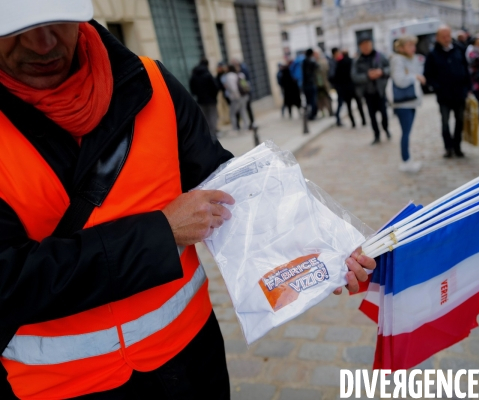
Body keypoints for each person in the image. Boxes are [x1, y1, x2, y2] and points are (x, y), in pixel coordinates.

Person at [0, 3, 377, 399]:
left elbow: (230, 193)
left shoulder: (151, 83)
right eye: (17, 29)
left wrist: (326, 248)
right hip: (59, 389)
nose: (41, 44)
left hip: (192, 361)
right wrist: (160, 234)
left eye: (56, 23)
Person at [424, 25, 471, 158]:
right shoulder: (433, 54)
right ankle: (448, 147)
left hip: (459, 93)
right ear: (437, 38)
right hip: (444, 95)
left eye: (448, 36)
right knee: (445, 122)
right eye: (443, 36)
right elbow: (428, 75)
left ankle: (457, 146)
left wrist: (468, 87)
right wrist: (436, 86)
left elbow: (466, 69)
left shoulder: (459, 49)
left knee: (460, 120)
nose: (446, 39)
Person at [389, 36, 426, 173]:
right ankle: (406, 161)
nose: (413, 48)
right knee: (405, 132)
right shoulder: (397, 59)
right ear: (401, 47)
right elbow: (400, 80)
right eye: (409, 45)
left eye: (413, 45)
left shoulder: (412, 58)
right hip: (403, 102)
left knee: (407, 132)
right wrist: (414, 77)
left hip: (410, 101)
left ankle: (408, 159)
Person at [352, 35, 391, 145]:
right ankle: (376, 135)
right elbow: (354, 76)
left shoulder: (379, 56)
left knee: (384, 114)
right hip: (368, 92)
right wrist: (367, 76)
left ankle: (386, 129)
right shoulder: (357, 61)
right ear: (360, 47)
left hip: (380, 91)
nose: (366, 47)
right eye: (363, 45)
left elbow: (389, 68)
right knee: (372, 116)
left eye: (367, 44)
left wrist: (381, 72)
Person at [190, 58, 220, 141]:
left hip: (200, 100)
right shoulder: (207, 74)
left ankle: (208, 135)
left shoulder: (194, 74)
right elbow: (215, 86)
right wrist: (214, 96)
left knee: (205, 118)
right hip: (211, 100)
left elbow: (192, 88)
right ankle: (213, 134)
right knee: (213, 117)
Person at [221, 65, 250, 131]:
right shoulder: (240, 75)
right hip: (244, 95)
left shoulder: (229, 76)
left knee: (232, 113)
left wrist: (237, 96)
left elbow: (233, 88)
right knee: (243, 110)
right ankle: (246, 126)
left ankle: (235, 128)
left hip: (236, 97)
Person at [231, 58, 255, 128]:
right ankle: (242, 125)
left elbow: (246, 84)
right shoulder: (239, 74)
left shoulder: (241, 73)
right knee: (242, 110)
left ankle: (250, 123)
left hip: (243, 94)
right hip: (242, 94)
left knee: (245, 109)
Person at [314, 49, 333, 118]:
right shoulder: (313, 63)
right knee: (319, 100)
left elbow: (328, 72)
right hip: (317, 85)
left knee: (327, 98)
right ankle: (322, 112)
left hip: (324, 83)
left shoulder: (323, 62)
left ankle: (330, 111)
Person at [302, 48, 319, 120]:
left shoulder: (304, 61)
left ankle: (309, 114)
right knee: (313, 100)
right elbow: (317, 66)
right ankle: (312, 114)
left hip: (305, 84)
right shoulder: (311, 61)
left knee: (308, 101)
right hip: (311, 84)